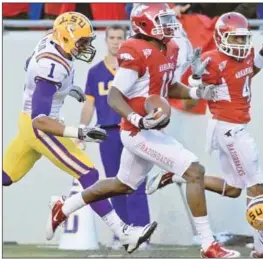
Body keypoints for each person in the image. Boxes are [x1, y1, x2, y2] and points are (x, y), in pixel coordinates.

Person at [45, 3, 241, 258]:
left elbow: (166, 87)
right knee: (194, 170)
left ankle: (64, 205)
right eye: (162, 20)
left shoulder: (169, 47)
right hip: (138, 131)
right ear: (145, 24)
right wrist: (136, 119)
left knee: (122, 184)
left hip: (148, 128)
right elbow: (114, 95)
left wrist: (196, 92)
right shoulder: (135, 50)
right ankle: (208, 245)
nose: (169, 26)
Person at [2, 11, 156, 254]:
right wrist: (79, 132)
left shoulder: (49, 42)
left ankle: (115, 229)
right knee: (90, 173)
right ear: (65, 38)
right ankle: (122, 233)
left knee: (5, 177)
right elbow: (40, 121)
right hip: (39, 128)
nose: (85, 46)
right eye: (81, 42)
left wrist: (62, 88)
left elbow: (28, 65)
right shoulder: (52, 65)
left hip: (27, 121)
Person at [146, 11, 263, 234]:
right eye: (235, 38)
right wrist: (196, 75)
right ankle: (262, 241)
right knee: (256, 185)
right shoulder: (213, 59)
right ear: (221, 37)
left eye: (243, 38)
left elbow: (252, 69)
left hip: (232, 127)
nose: (241, 43)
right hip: (229, 128)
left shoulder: (245, 55)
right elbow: (192, 86)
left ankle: (177, 175)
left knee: (235, 188)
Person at [78, 25, 151, 249]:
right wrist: (82, 129)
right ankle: (123, 234)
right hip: (108, 133)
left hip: (132, 130)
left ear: (126, 39)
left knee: (136, 184)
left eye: (120, 37)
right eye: (112, 38)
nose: (116, 42)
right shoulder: (95, 71)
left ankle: (143, 233)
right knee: (114, 184)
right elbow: (89, 104)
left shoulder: (134, 68)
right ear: (106, 40)